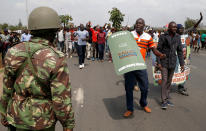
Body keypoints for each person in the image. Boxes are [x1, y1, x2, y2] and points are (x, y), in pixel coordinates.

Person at [0, 7, 75, 131]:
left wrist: (3, 113)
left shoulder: (12, 52)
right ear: (54, 33)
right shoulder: (56, 57)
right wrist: (68, 125)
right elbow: (60, 99)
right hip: (42, 122)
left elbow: (7, 89)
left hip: (16, 118)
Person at [123, 18, 166, 117]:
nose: (138, 25)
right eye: (137, 23)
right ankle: (130, 108)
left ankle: (143, 104)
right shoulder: (129, 34)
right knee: (129, 88)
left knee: (145, 87)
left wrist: (160, 55)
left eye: (140, 23)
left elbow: (153, 49)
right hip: (130, 65)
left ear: (144, 25)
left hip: (141, 66)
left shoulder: (148, 36)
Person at [157, 21, 185, 110]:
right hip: (164, 61)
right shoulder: (163, 36)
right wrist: (158, 63)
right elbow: (158, 50)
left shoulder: (177, 37)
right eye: (173, 27)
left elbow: (180, 51)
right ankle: (164, 100)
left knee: (169, 80)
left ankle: (167, 97)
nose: (175, 29)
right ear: (169, 28)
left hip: (173, 62)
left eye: (176, 27)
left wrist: (182, 64)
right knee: (164, 80)